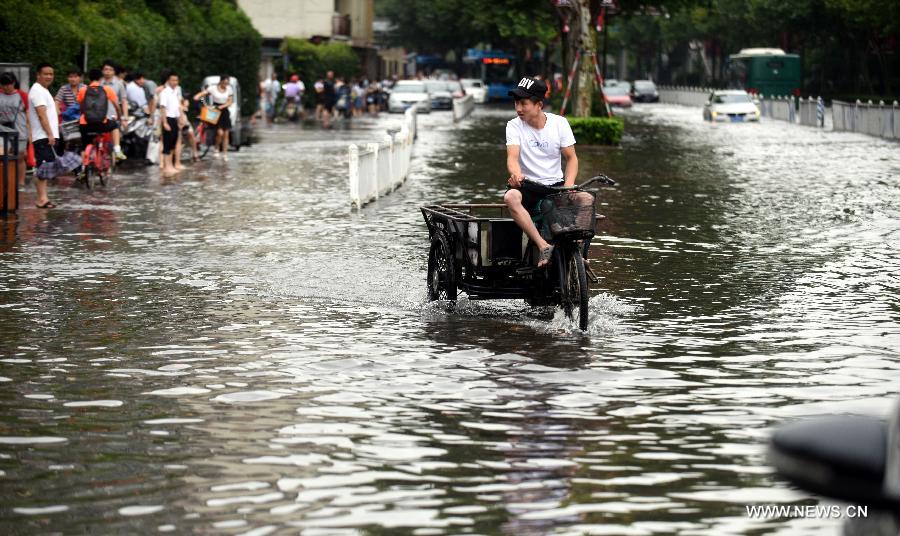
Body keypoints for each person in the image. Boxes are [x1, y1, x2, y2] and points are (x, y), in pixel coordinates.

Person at [503, 76, 578, 267]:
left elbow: (572, 159)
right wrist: (516, 174)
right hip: (528, 186)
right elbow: (512, 157)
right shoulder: (513, 126)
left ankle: (577, 253)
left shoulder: (559, 123)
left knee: (585, 200)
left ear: (539, 105)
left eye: (523, 103)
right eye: (516, 103)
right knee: (511, 197)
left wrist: (568, 187)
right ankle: (543, 245)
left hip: (555, 186)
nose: (518, 108)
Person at [28, 63, 59, 208]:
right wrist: (50, 134)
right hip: (43, 136)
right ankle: (42, 199)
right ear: (38, 75)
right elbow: (41, 115)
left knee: (45, 167)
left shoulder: (43, 90)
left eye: (51, 74)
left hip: (45, 135)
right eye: (45, 74)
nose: (48, 76)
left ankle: (43, 198)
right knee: (44, 167)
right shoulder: (37, 91)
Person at [76, 69, 122, 166]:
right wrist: (119, 117)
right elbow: (117, 107)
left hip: (85, 124)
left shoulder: (83, 90)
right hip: (102, 124)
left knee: (84, 146)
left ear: (89, 79)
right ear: (101, 78)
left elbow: (81, 107)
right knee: (115, 126)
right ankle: (117, 150)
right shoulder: (107, 89)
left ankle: (83, 169)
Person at [0, 72, 30, 187]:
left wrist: (30, 134)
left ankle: (21, 183)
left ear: (13, 83)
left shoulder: (22, 95)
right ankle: (5, 181)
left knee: (20, 157)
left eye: (9, 84)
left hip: (20, 130)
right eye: (4, 84)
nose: (7, 87)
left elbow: (27, 114)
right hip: (2, 130)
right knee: (3, 155)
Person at [194, 75, 234, 160]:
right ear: (221, 81)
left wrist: (223, 106)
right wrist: (205, 105)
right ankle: (216, 148)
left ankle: (225, 153)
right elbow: (201, 96)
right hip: (215, 111)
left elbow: (230, 101)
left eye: (227, 83)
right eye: (224, 82)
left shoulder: (229, 89)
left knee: (226, 134)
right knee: (220, 133)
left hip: (225, 111)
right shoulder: (213, 88)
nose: (225, 84)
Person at [100, 60, 128, 160]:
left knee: (112, 142)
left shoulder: (119, 84)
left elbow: (124, 101)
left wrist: (124, 118)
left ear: (114, 71)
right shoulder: (98, 83)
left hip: (113, 116)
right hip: (99, 116)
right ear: (102, 71)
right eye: (105, 69)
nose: (107, 72)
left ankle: (113, 160)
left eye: (110, 69)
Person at [158, 71, 182, 177]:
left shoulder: (175, 91)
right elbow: (162, 107)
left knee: (173, 142)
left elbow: (177, 107)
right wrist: (164, 122)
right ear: (168, 80)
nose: (175, 82)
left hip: (174, 119)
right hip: (167, 119)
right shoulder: (165, 92)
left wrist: (180, 118)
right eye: (172, 80)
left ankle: (171, 165)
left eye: (176, 80)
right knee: (167, 143)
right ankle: (167, 166)